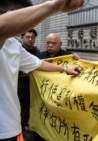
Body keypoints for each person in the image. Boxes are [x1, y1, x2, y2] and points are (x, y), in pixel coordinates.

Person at [0, 0, 84, 140]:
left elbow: (38, 64)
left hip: (11, 126)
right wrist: (54, 6)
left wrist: (64, 68)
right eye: (24, 15)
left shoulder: (14, 45)